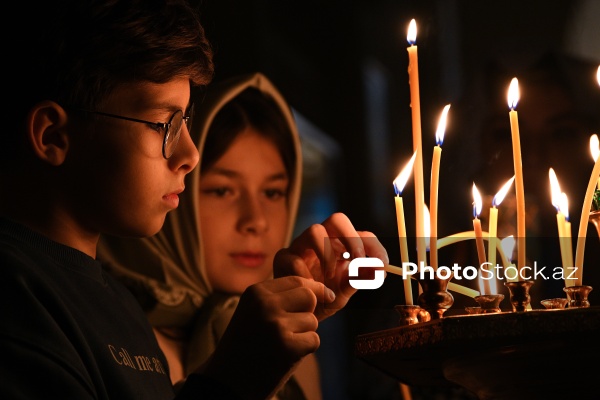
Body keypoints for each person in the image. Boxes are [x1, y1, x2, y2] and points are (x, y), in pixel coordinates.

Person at [0, 1, 389, 399]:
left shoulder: (115, 302)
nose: (191, 155)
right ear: (53, 136)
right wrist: (233, 380)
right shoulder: (16, 300)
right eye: (162, 124)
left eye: (185, 121)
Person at [98, 72, 321, 399]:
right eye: (223, 191)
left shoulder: (288, 343)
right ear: (177, 186)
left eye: (273, 193)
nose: (255, 221)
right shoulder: (121, 342)